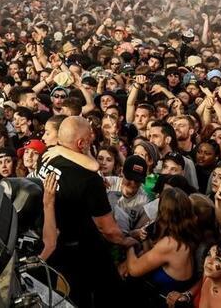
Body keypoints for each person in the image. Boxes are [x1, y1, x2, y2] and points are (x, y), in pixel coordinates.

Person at [37, 116, 137, 307]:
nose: (93, 137)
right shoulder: (89, 180)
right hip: (81, 251)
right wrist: (125, 240)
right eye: (89, 138)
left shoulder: (47, 156)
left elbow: (89, 161)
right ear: (81, 143)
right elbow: (107, 228)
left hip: (53, 243)